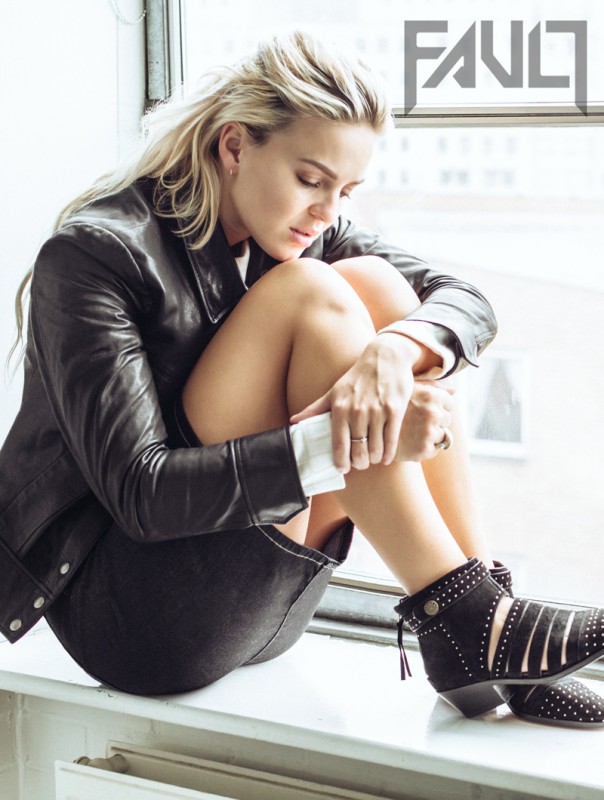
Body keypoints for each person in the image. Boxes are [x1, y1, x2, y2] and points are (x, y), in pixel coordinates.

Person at [1, 31, 602, 728]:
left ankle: (478, 621)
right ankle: (471, 621)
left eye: (345, 190)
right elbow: (143, 495)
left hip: (266, 597)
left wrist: (394, 353)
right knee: (313, 294)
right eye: (310, 179)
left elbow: (462, 299)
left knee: (377, 288)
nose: (326, 211)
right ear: (234, 146)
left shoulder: (301, 228)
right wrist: (344, 444)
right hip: (142, 619)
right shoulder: (95, 254)